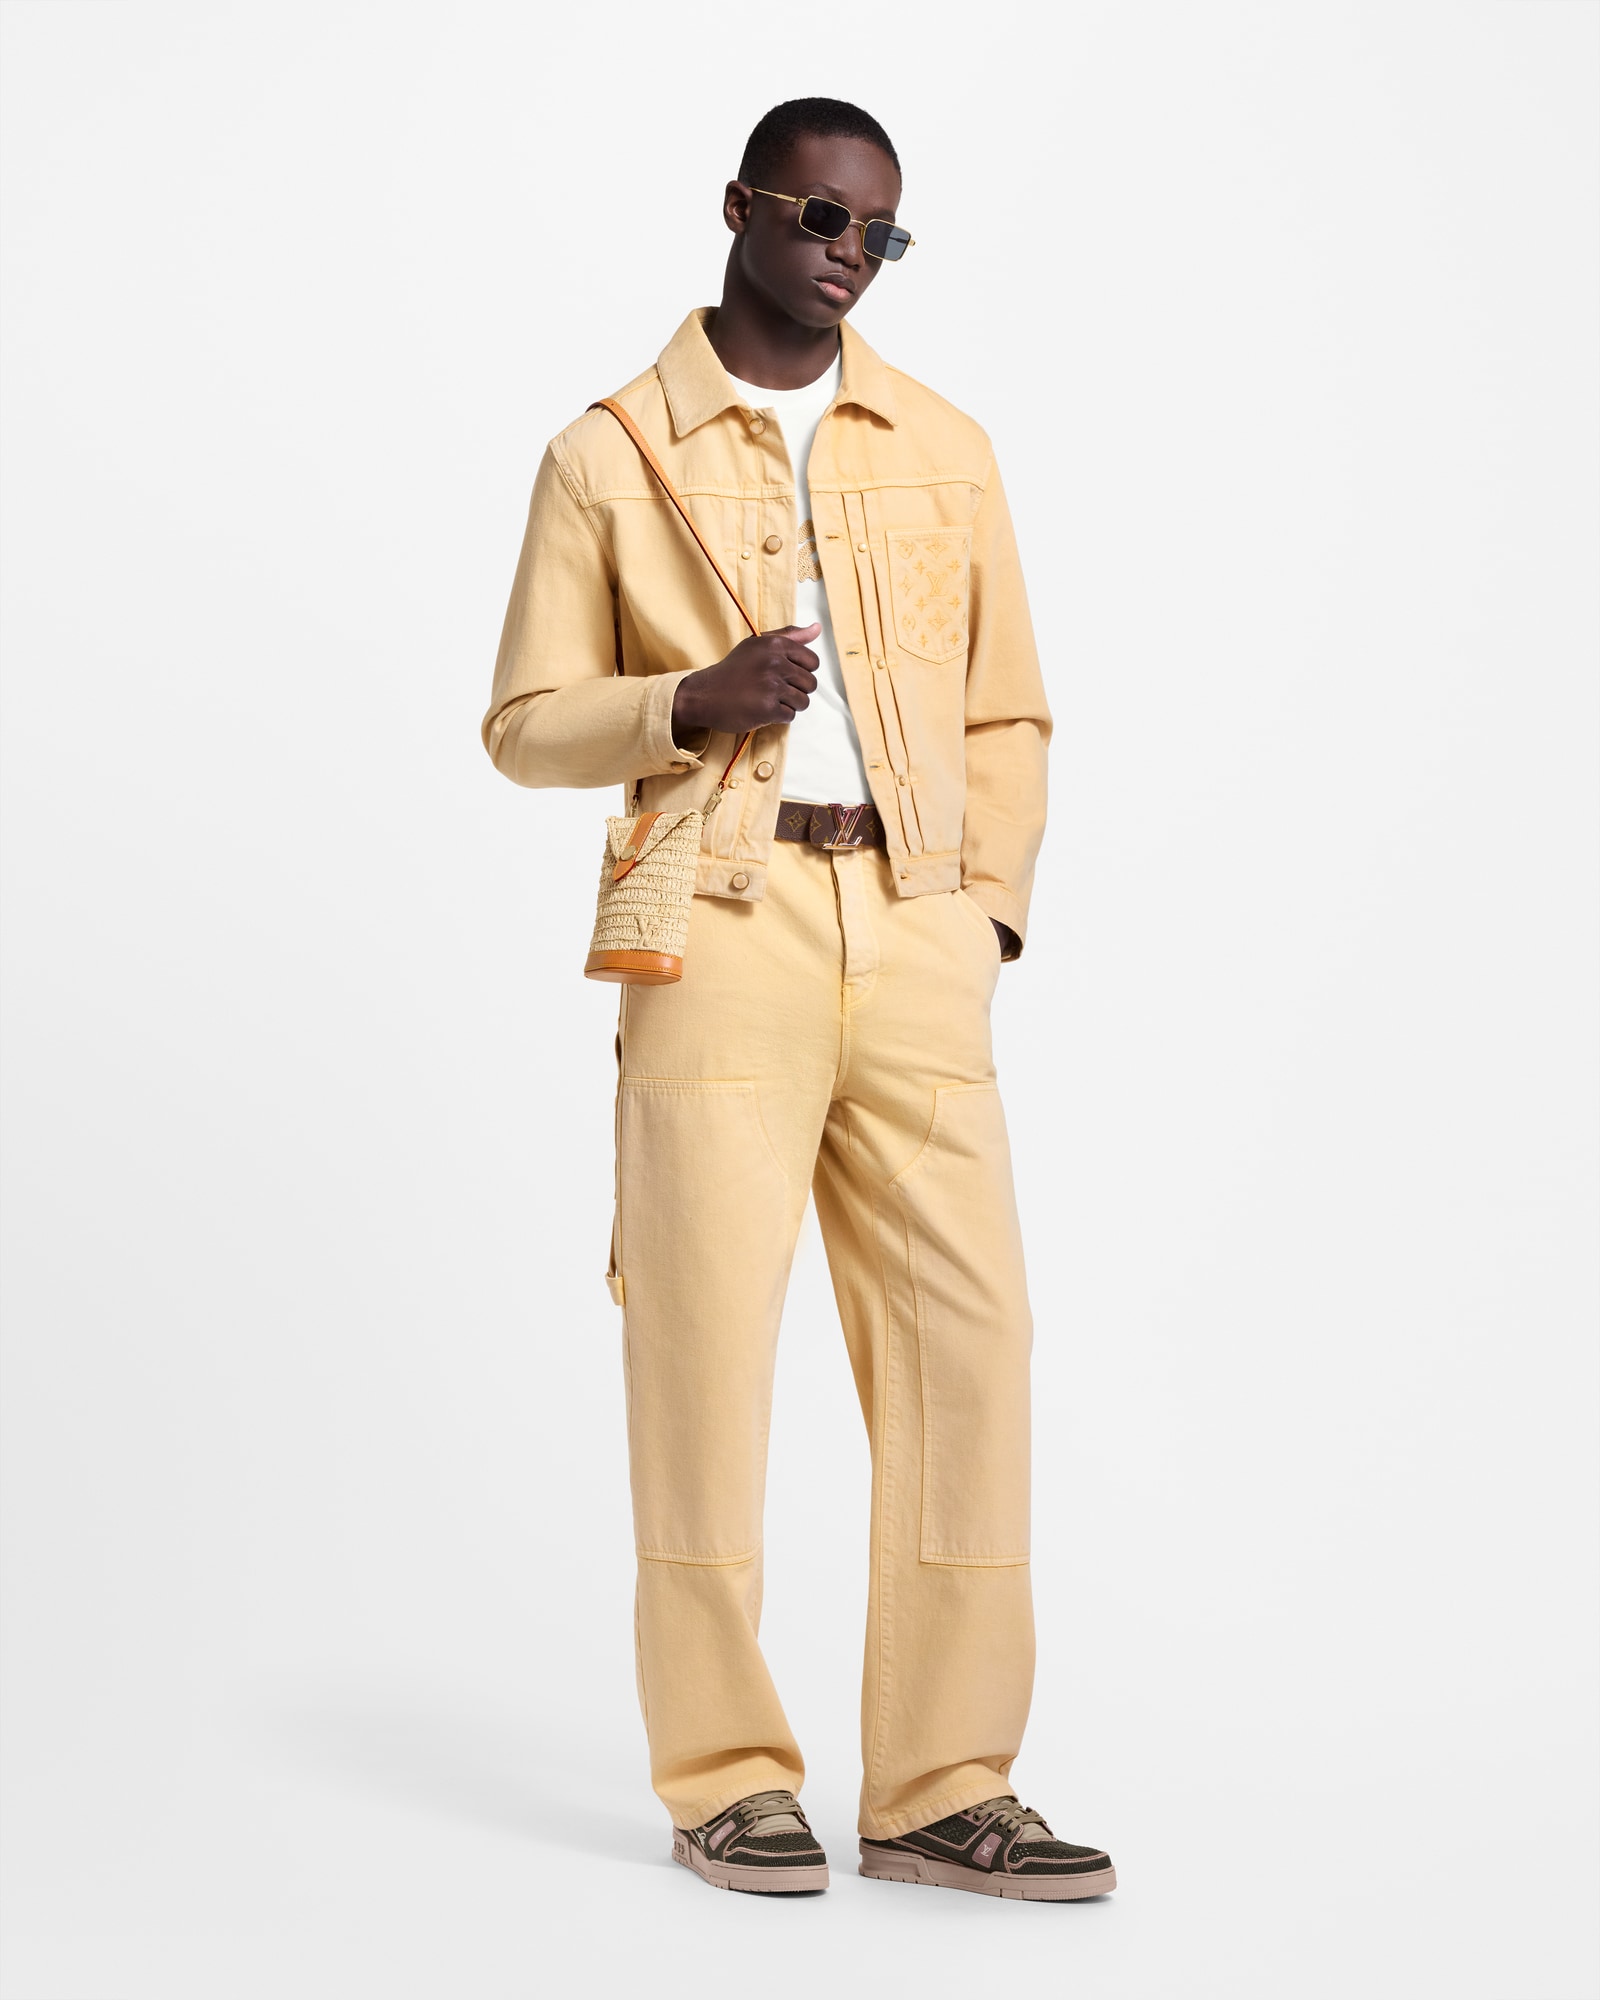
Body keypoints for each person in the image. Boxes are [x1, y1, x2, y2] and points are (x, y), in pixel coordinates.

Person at [482, 97, 1114, 1903]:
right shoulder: (609, 452)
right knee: (703, 1349)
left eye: (881, 233)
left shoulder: (946, 447)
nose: (851, 253)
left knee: (970, 1348)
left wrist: (982, 917)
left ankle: (944, 1783)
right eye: (824, 216)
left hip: (913, 927)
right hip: (719, 925)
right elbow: (524, 723)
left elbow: (1009, 707)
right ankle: (724, 1775)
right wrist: (687, 702)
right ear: (742, 207)